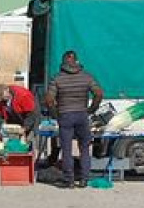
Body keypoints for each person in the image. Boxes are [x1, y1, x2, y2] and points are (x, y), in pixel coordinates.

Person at [44, 50, 103, 189]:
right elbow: (99, 93)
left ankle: (69, 180)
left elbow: (49, 99)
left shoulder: (57, 78)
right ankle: (84, 179)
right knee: (84, 148)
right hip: (82, 115)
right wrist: (91, 109)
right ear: (76, 61)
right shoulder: (87, 77)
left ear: (63, 63)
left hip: (65, 116)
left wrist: (55, 114)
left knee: (66, 149)